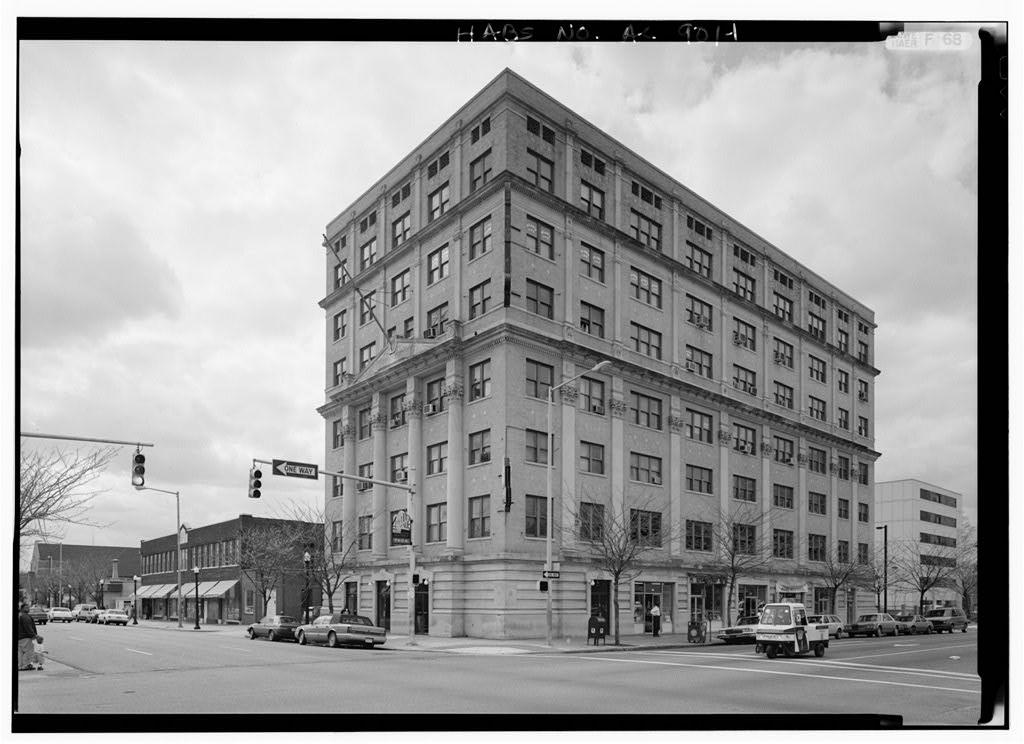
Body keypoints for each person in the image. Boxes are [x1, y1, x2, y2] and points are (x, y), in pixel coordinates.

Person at [18, 603, 43, 671]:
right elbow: (28, 628)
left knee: (20, 652)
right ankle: (25, 665)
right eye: (26, 607)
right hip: (25, 637)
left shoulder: (19, 615)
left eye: (28, 607)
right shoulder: (25, 616)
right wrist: (34, 636)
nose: (28, 609)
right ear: (22, 608)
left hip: (19, 637)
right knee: (28, 651)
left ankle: (20, 666)